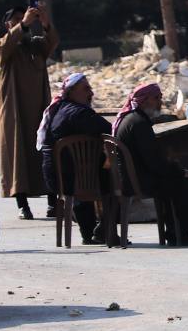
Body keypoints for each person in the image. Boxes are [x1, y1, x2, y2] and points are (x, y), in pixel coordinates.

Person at [112, 83, 188, 246]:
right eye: (156, 98)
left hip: (133, 178)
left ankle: (175, 231)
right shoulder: (139, 124)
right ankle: (182, 233)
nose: (160, 102)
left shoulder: (130, 119)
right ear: (144, 100)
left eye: (160, 97)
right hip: (140, 182)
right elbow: (154, 163)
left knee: (175, 180)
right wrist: (181, 172)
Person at [39, 73, 124, 246]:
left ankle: (94, 232)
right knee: (119, 178)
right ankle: (104, 230)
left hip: (60, 179)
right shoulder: (78, 113)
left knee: (100, 169)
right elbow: (109, 130)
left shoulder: (61, 109)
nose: (91, 93)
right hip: (74, 179)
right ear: (70, 92)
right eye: (86, 89)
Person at [0, 1, 59, 221]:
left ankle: (52, 203)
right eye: (18, 21)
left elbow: (53, 42)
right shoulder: (3, 47)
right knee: (17, 159)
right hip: (16, 115)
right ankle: (23, 206)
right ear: (8, 26)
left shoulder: (36, 45)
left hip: (39, 113)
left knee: (45, 155)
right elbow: (4, 47)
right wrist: (22, 24)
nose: (25, 23)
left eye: (27, 19)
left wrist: (45, 22)